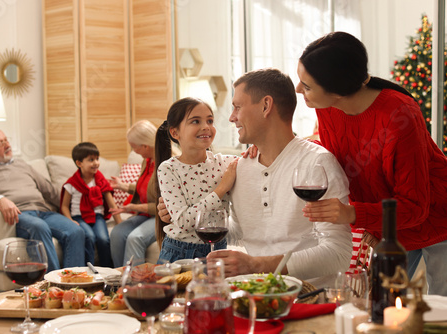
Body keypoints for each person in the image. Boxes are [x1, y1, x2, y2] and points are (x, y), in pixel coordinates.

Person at [160, 69, 353, 288]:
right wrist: (185, 215)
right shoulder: (239, 168)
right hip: (256, 294)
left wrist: (257, 265)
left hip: (310, 297)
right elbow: (239, 232)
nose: (231, 117)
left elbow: (338, 254)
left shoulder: (316, 163)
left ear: (265, 106)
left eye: (237, 107)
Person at [295, 31, 447, 295]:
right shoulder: (326, 106)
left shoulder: (401, 116)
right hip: (390, 227)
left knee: (440, 315)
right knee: (379, 306)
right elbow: (347, 155)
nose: (299, 90)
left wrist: (355, 214)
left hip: (438, 219)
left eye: (306, 86)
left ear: (338, 90)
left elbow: (416, 207)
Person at [0, 127, 85, 272]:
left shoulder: (22, 165)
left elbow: (49, 190)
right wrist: (0, 199)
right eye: (0, 143)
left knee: (75, 231)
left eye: (6, 140)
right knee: (39, 226)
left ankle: (74, 285)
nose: (7, 145)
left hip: (44, 212)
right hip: (20, 215)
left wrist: (74, 208)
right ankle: (53, 285)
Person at [154, 97, 239, 263]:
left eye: (210, 120)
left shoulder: (224, 162)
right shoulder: (168, 169)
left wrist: (256, 149)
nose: (206, 127)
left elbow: (258, 158)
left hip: (218, 249)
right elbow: (184, 221)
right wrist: (221, 189)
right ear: (175, 132)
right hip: (179, 253)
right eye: (195, 121)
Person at [60, 142, 120, 267]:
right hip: (79, 218)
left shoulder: (100, 180)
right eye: (91, 160)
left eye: (97, 159)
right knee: (90, 237)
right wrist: (70, 220)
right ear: (79, 163)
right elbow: (64, 206)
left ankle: (107, 270)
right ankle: (89, 270)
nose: (96, 163)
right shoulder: (71, 183)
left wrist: (120, 224)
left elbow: (111, 204)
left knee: (103, 239)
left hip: (97, 217)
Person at [109, 120, 158, 268]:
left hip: (161, 216)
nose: (133, 151)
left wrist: (136, 207)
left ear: (145, 146)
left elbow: (168, 206)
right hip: (146, 214)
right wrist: (123, 186)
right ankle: (120, 280)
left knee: (135, 238)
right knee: (117, 232)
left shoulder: (166, 163)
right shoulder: (147, 160)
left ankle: (135, 286)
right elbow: (146, 188)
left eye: (134, 147)